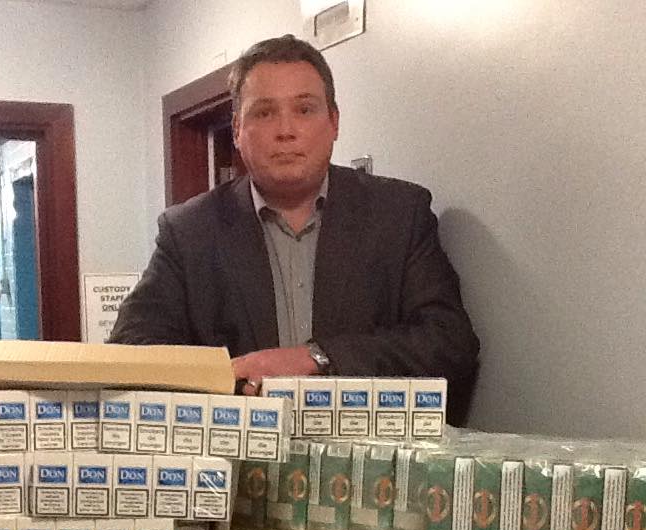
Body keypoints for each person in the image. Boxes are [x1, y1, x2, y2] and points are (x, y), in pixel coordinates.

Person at [110, 34, 479, 408]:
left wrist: (316, 358)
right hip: (241, 456)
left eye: (304, 109)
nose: (285, 130)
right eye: (265, 112)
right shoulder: (188, 232)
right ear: (237, 130)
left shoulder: (399, 213)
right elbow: (132, 351)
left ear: (334, 122)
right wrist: (226, 377)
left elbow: (450, 344)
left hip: (369, 458)